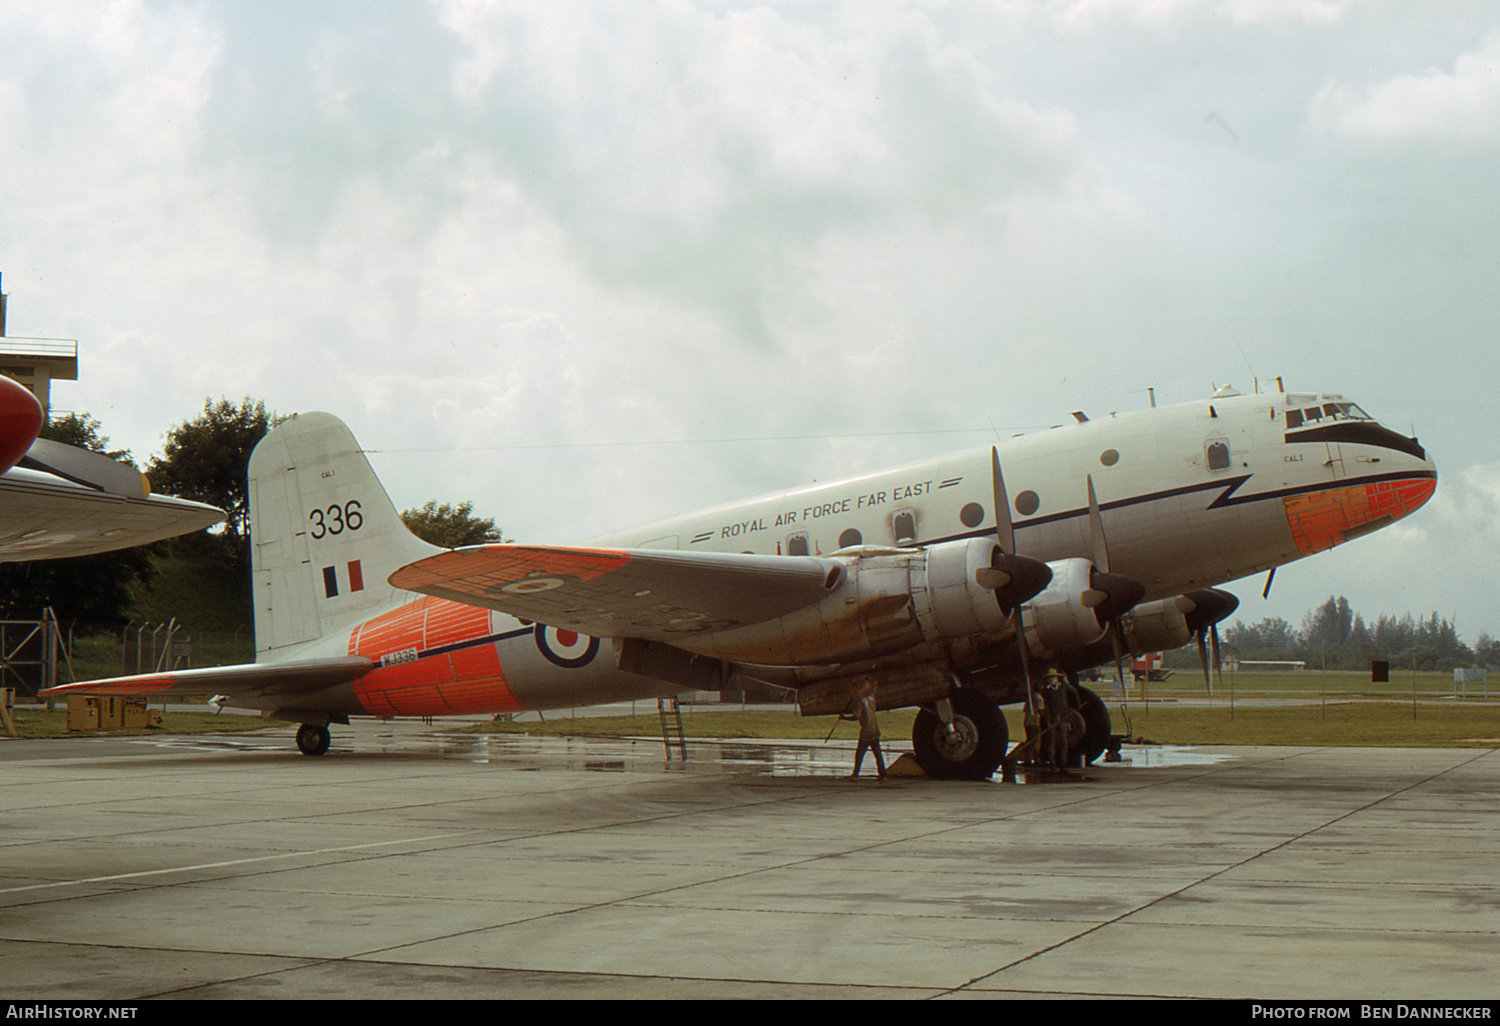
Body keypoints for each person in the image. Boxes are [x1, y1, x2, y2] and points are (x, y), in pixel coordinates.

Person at [841, 675, 886, 780]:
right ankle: (883, 775)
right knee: (878, 754)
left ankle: (855, 775)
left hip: (866, 731)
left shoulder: (859, 702)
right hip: (875, 729)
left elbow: (856, 716)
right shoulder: (871, 699)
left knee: (860, 754)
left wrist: (844, 718)